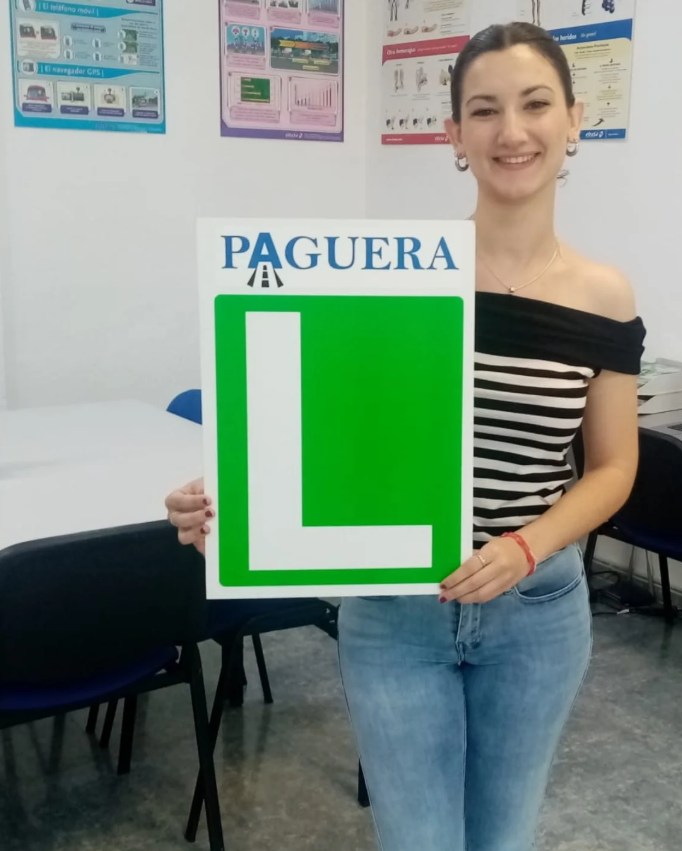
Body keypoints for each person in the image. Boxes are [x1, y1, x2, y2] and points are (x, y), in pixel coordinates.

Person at [165, 22, 645, 851]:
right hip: (396, 614)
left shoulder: (603, 296)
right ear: (453, 134)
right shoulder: (393, 271)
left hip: (535, 612)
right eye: (484, 110)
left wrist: (525, 547)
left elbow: (612, 467)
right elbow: (324, 428)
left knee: (501, 838)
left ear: (574, 118)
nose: (512, 131)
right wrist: (236, 507)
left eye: (535, 105)